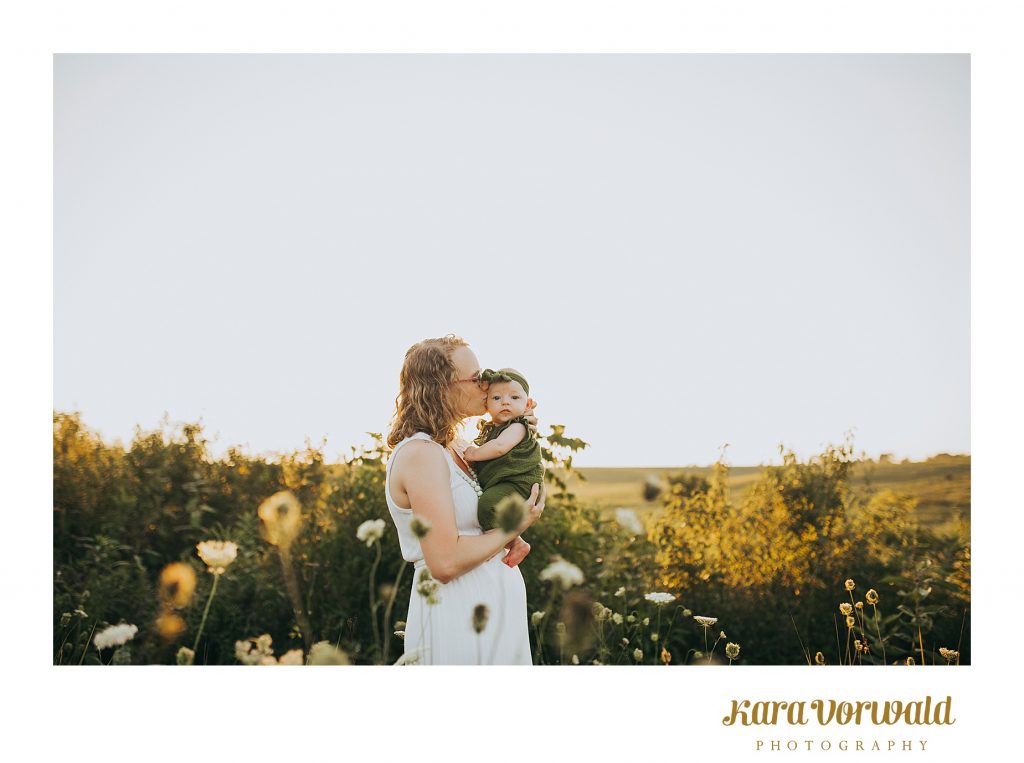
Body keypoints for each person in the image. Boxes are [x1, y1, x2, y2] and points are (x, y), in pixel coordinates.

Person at [385, 335, 545, 665]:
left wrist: (510, 537)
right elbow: (443, 563)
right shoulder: (421, 454)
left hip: (495, 612)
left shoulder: (458, 446)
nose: (487, 386)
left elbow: (468, 523)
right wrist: (509, 529)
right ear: (442, 385)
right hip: (456, 614)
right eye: (477, 378)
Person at [463, 368, 545, 533]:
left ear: (527, 404)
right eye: (496, 397)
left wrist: (474, 454)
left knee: (489, 505)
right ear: (486, 403)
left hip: (519, 482)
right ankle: (511, 541)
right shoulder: (494, 428)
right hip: (507, 481)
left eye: (514, 397)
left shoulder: (518, 426)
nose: (505, 402)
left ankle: (498, 540)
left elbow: (500, 447)